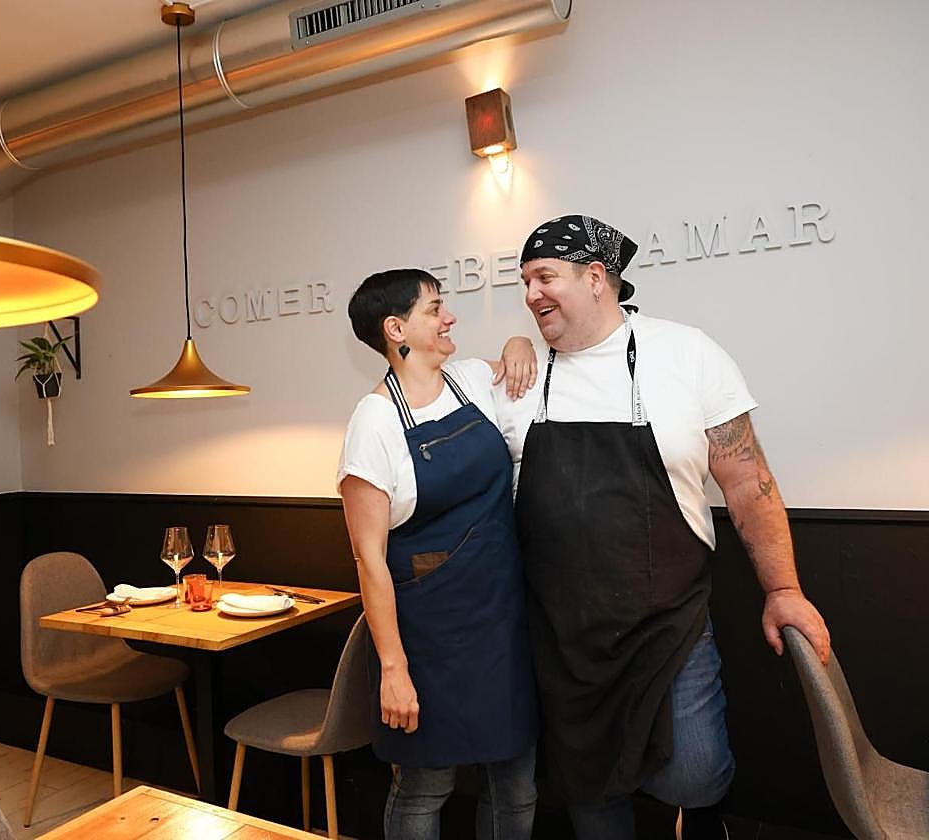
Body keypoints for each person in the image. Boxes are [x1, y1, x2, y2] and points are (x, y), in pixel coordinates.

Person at [499, 214, 833, 840]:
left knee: (696, 773)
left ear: (596, 278)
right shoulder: (517, 378)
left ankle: (702, 821)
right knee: (591, 794)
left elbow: (747, 483)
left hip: (666, 621)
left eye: (544, 277)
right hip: (562, 636)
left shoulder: (686, 353)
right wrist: (511, 347)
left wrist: (783, 589)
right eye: (525, 282)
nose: (531, 294)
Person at [337, 268, 539, 839]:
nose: (449, 316)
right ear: (396, 328)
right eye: (435, 309)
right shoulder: (373, 422)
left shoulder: (472, 380)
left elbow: (529, 377)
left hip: (503, 620)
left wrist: (517, 342)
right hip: (429, 637)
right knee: (426, 787)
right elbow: (368, 560)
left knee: (517, 782)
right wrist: (394, 672)